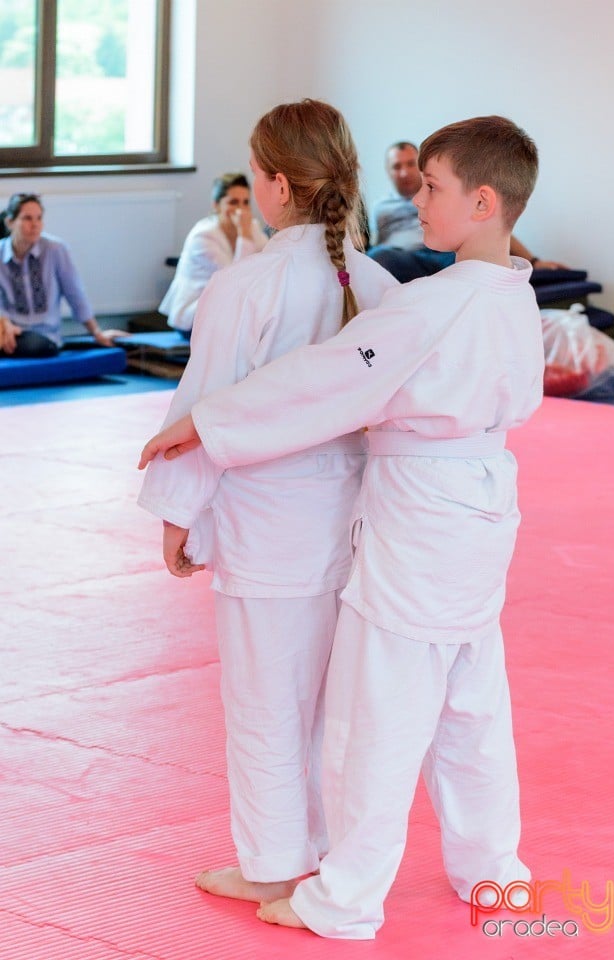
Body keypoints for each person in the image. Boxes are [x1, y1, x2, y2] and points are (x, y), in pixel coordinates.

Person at [138, 114, 546, 939]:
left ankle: (338, 893)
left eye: (430, 186)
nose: (417, 199)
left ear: (481, 199)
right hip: (462, 516)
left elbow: (323, 382)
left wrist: (205, 429)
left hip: (402, 527)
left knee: (367, 718)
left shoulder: (427, 302)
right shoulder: (503, 294)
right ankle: (491, 870)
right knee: (470, 707)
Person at [137, 100, 397, 903]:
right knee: (329, 702)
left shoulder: (246, 287)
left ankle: (275, 864)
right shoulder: (382, 285)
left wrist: (178, 516)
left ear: (277, 183)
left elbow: (202, 408)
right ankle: (317, 849)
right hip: (356, 526)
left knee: (264, 702)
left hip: (267, 526)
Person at [367, 139, 567, 282]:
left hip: (445, 255)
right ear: (388, 170)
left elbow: (492, 227)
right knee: (377, 256)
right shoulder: (380, 208)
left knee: (478, 257)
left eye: (410, 164)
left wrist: (534, 261)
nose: (404, 172)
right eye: (397, 166)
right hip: (402, 258)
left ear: (420, 165)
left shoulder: (448, 193)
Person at [0, 193, 121, 357]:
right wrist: (4, 323)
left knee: (35, 346)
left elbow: (75, 293)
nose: (35, 225)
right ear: (10, 222)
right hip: (6, 330)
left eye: (39, 218)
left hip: (43, 336)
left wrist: (96, 332)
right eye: (27, 218)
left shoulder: (55, 249)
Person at [159, 173, 268, 337]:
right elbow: (235, 280)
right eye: (233, 202)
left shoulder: (252, 227)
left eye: (245, 202)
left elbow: (269, 261)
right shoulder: (203, 236)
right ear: (216, 205)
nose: (241, 209)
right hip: (196, 316)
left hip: (231, 312)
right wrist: (244, 234)